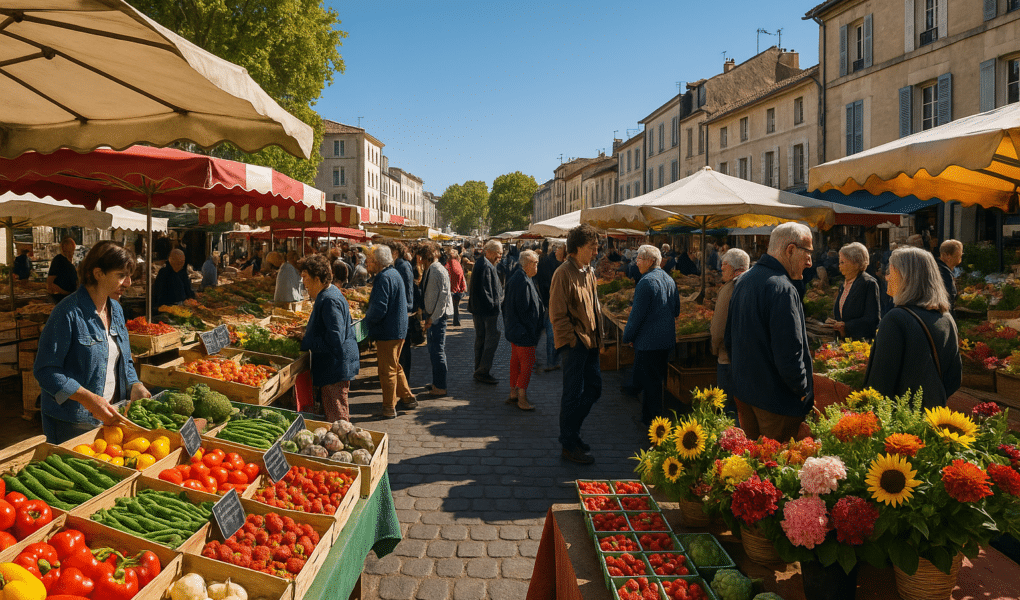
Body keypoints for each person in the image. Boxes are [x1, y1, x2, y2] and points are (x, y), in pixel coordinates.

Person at [34, 241, 147, 444]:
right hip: (72, 422)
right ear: (98, 273)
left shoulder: (116, 310)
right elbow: (45, 371)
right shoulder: (67, 313)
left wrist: (134, 384)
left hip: (112, 415)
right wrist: (87, 398)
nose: (128, 283)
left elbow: (125, 360)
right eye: (121, 275)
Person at [725, 222, 814, 442]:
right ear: (790, 250)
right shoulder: (782, 288)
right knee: (775, 467)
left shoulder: (744, 280)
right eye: (808, 253)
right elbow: (789, 353)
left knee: (753, 468)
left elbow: (729, 339)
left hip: (746, 395)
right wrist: (803, 390)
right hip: (775, 403)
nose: (810, 262)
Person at [864, 247, 962, 408]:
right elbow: (954, 379)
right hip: (932, 416)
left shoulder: (896, 319)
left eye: (891, 270)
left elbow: (879, 382)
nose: (887, 277)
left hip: (897, 422)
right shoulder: (946, 318)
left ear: (905, 276)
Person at [550, 224, 604, 464]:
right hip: (575, 344)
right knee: (571, 394)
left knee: (594, 388)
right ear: (578, 247)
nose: (596, 252)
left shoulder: (588, 271)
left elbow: (594, 307)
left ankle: (572, 431)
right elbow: (557, 314)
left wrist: (599, 339)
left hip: (590, 342)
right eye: (592, 247)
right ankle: (568, 443)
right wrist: (571, 341)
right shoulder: (563, 273)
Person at [623, 245, 681, 425]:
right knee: (656, 380)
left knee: (651, 384)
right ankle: (651, 415)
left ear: (650, 261)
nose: (637, 262)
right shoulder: (669, 279)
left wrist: (628, 337)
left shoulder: (646, 281)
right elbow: (676, 310)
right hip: (665, 340)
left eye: (639, 259)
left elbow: (636, 315)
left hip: (649, 342)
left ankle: (651, 420)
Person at [300, 255, 360, 422]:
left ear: (317, 279)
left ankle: (343, 445)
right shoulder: (329, 292)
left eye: (305, 277)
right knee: (334, 412)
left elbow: (335, 338)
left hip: (334, 367)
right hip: (334, 365)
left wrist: (307, 341)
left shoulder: (329, 299)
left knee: (337, 418)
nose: (303, 283)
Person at [365, 245, 416, 419]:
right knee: (395, 365)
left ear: (377, 262)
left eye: (369, 260)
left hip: (389, 331)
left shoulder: (383, 277)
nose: (367, 263)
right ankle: (408, 398)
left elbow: (379, 308)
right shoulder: (394, 274)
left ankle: (389, 407)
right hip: (398, 328)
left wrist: (367, 319)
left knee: (387, 370)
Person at [503, 250, 545, 412]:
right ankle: (522, 397)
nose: (537, 267)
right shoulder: (522, 280)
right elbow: (524, 310)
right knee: (527, 364)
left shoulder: (521, 277)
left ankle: (514, 392)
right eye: (535, 264)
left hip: (517, 330)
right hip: (523, 332)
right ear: (527, 263)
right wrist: (530, 330)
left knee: (516, 362)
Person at [711, 248, 749, 412]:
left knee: (727, 409)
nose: (721, 268)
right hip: (747, 358)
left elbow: (718, 329)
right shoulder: (753, 284)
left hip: (727, 357)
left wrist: (715, 348)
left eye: (724, 264)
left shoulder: (729, 289)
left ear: (736, 269)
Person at [419, 242, 453, 398]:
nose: (419, 262)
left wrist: (433, 317)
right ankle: (436, 382)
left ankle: (440, 386)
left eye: (421, 259)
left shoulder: (437, 270)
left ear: (427, 257)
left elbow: (443, 297)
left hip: (437, 317)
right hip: (432, 315)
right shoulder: (431, 269)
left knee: (437, 351)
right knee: (433, 351)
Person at [828, 242, 881, 340]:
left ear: (856, 264)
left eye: (842, 262)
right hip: (844, 343)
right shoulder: (844, 284)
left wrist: (846, 326)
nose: (839, 266)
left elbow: (872, 319)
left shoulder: (868, 283)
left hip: (861, 345)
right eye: (839, 262)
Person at [468, 240, 504, 384]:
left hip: (480, 310)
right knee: (490, 341)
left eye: (501, 254)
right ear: (489, 252)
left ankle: (479, 370)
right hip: (487, 312)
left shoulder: (484, 264)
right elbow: (486, 292)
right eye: (498, 253)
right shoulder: (485, 265)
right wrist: (495, 305)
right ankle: (482, 371)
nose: (500, 257)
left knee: (481, 340)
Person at [389, 241, 415, 382]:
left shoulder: (402, 266)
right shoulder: (399, 265)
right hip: (403, 310)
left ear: (396, 252)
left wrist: (406, 309)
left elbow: (407, 291)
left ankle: (405, 379)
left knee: (404, 350)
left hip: (404, 312)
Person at [537, 243, 564, 372]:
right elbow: (546, 283)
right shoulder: (550, 263)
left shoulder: (557, 262)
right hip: (551, 302)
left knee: (551, 332)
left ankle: (553, 360)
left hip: (554, 302)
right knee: (551, 332)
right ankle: (551, 361)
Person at [47, 237, 78, 302]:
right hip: (61, 298)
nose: (73, 252)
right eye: (71, 249)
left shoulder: (67, 261)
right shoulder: (58, 260)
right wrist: (65, 292)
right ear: (64, 248)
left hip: (69, 297)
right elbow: (50, 281)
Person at [936, 239, 963, 310]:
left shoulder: (943, 269)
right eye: (958, 254)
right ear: (946, 256)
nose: (961, 255)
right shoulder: (942, 272)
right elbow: (948, 298)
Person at [446, 248, 466, 327]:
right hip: (457, 289)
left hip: (450, 289)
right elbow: (462, 277)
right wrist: (462, 288)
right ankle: (456, 320)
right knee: (456, 306)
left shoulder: (447, 265)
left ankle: (449, 320)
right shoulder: (458, 265)